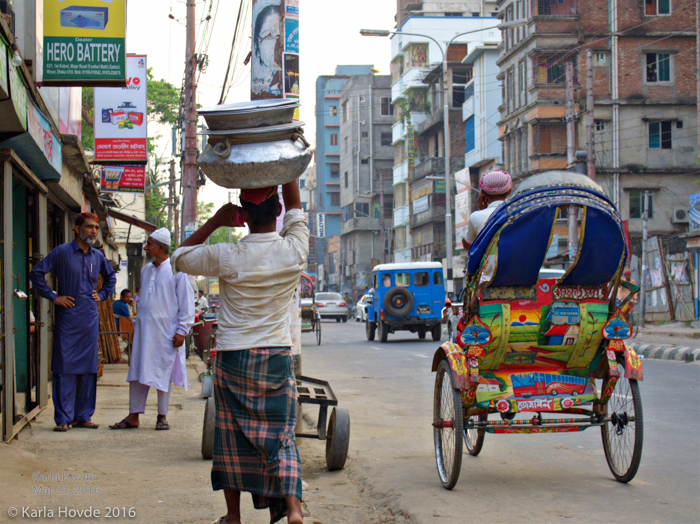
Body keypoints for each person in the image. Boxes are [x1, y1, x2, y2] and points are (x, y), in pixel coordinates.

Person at [172, 182, 307, 524]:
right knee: (282, 436)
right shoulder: (295, 250)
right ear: (276, 212)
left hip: (233, 357)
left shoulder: (227, 254)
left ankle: (233, 516)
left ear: (242, 216)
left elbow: (178, 257)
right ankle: (294, 510)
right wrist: (286, 172)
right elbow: (295, 208)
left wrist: (215, 222)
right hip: (276, 357)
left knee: (230, 435)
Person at [29, 212, 116, 432]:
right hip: (68, 319)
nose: (94, 231)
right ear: (76, 229)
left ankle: (83, 416)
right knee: (65, 367)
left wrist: (103, 295)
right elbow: (36, 273)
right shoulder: (61, 252)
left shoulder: (97, 256)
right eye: (89, 227)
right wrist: (53, 297)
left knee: (88, 369)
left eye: (96, 227)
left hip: (89, 319)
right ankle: (63, 419)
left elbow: (111, 277)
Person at [109, 228, 194, 431]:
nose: (146, 247)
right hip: (144, 331)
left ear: (161, 247)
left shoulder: (177, 271)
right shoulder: (146, 270)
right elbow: (144, 300)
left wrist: (182, 331)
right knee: (138, 372)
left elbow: (187, 305)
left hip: (166, 333)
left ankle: (162, 416)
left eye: (150, 244)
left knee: (162, 372)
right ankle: (133, 416)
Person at [462, 170, 513, 251]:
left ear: (483, 193)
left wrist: (483, 210)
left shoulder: (476, 217)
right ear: (509, 191)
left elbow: (467, 245)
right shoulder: (519, 212)